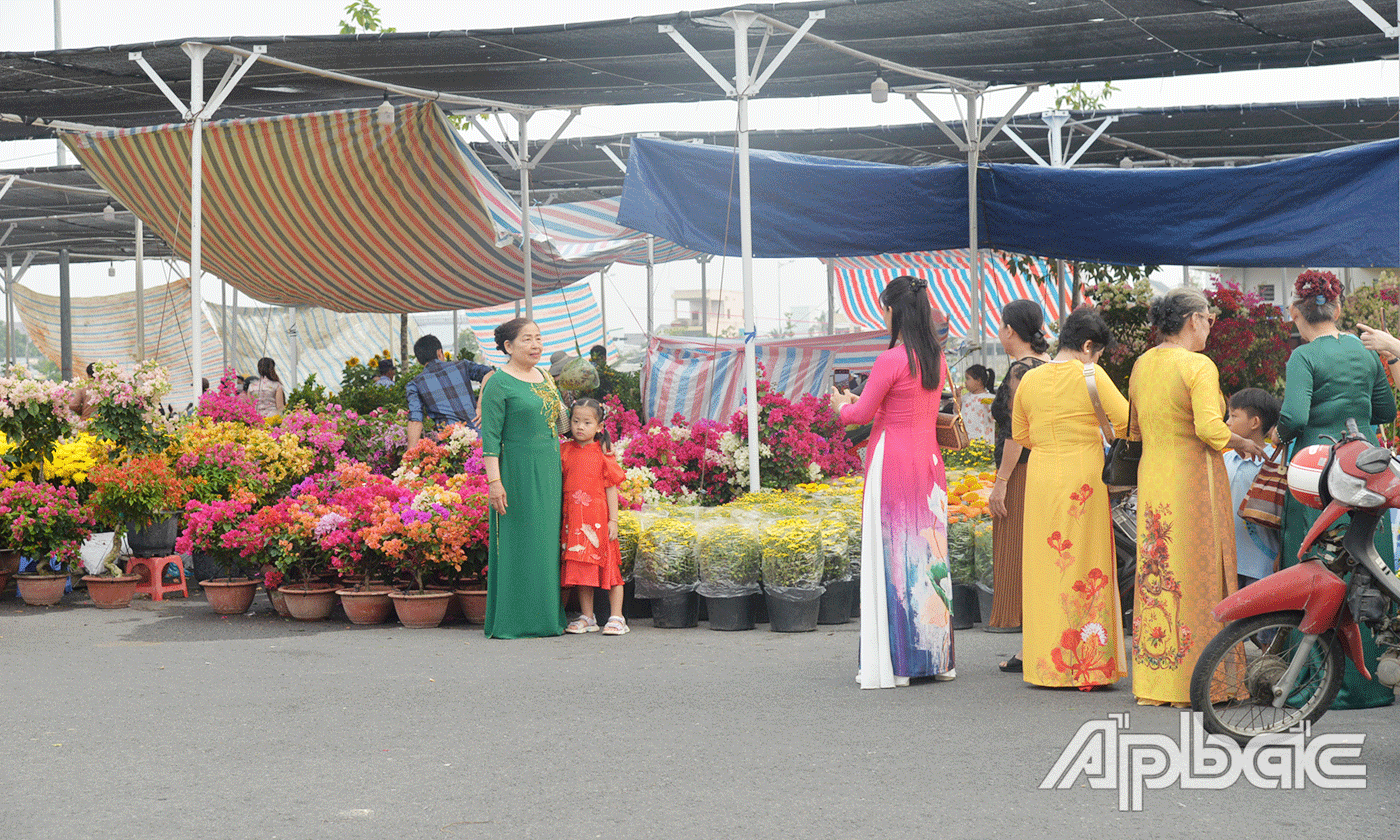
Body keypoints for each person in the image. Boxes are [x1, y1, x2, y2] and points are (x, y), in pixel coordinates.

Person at [1130, 287, 1265, 707]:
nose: (1210, 325)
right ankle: (1203, 681)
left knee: (1158, 574)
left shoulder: (1142, 364)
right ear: (1192, 320)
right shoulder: (1197, 365)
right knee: (1199, 574)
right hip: (1192, 480)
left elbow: (1132, 427)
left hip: (1154, 479)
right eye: (1208, 318)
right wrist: (1241, 442)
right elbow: (1210, 429)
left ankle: (1157, 681)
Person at [1277, 270, 1397, 709]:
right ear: (1339, 309)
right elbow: (1383, 408)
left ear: (1295, 312)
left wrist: (1277, 436)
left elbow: (1291, 416)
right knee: (1371, 564)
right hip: (1368, 465)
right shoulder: (1364, 355)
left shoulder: (1303, 357)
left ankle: (1319, 679)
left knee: (1319, 563)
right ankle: (1374, 680)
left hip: (1319, 472)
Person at [830, 275, 954, 688]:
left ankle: (899, 659)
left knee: (895, 553)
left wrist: (840, 406)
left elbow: (861, 414)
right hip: (929, 460)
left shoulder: (891, 360)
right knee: (930, 553)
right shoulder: (936, 357)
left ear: (891, 311)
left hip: (894, 461)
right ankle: (934, 655)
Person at [1005, 307, 1127, 688]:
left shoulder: (1030, 379)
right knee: (1086, 561)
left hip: (1041, 478)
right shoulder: (1091, 374)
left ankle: (1045, 665)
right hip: (1084, 479)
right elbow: (1125, 423)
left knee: (1045, 565)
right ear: (1088, 345)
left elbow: (1020, 433)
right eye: (1098, 352)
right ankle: (1086, 663)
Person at [480, 318, 567, 640]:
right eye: (527, 340)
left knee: (546, 545)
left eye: (539, 339)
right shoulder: (498, 383)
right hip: (516, 469)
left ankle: (547, 619)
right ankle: (514, 621)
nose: (536, 345)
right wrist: (494, 482)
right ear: (508, 347)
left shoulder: (545, 377)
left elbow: (561, 424)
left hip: (549, 467)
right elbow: (489, 439)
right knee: (521, 543)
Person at [986, 300, 1053, 633]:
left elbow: (1015, 432)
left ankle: (1015, 616)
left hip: (1020, 470)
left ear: (1009, 329)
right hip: (1044, 467)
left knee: (1014, 545)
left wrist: (1001, 481)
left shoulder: (1020, 370)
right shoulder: (1049, 363)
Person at [560, 397, 629, 636]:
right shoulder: (564, 451)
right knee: (581, 569)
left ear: (599, 427)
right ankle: (588, 617)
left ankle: (617, 616)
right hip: (575, 522)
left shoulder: (603, 453)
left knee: (610, 568)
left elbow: (611, 488)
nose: (580, 426)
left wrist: (613, 521)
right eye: (575, 421)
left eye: (587, 422)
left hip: (599, 520)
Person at [1223, 388, 1282, 590]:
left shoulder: (1277, 463)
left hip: (1262, 564)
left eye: (1233, 416)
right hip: (1226, 563)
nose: (1227, 422)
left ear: (1255, 423)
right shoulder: (1223, 460)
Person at [405, 334, 494, 448]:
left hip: (453, 447)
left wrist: (409, 458)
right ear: (439, 352)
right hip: (480, 437)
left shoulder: (415, 384)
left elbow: (415, 421)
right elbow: (490, 373)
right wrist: (480, 407)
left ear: (418, 360)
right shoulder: (462, 366)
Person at [960, 364, 996, 444]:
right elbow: (957, 412)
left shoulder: (987, 398)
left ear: (979, 381)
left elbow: (994, 414)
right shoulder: (965, 397)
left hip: (983, 441)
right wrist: (958, 397)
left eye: (968, 379)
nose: (965, 382)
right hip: (966, 440)